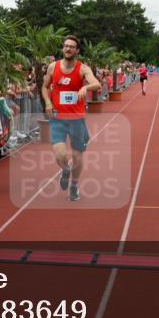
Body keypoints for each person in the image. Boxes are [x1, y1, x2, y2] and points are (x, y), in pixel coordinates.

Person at [42, 35, 101, 202]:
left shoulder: (83, 69)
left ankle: (74, 185)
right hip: (58, 118)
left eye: (71, 47)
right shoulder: (53, 67)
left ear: (77, 50)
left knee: (77, 156)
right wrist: (47, 102)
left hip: (76, 119)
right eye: (66, 46)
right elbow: (44, 87)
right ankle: (65, 171)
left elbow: (97, 84)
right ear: (63, 49)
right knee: (60, 155)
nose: (68, 49)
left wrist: (86, 87)